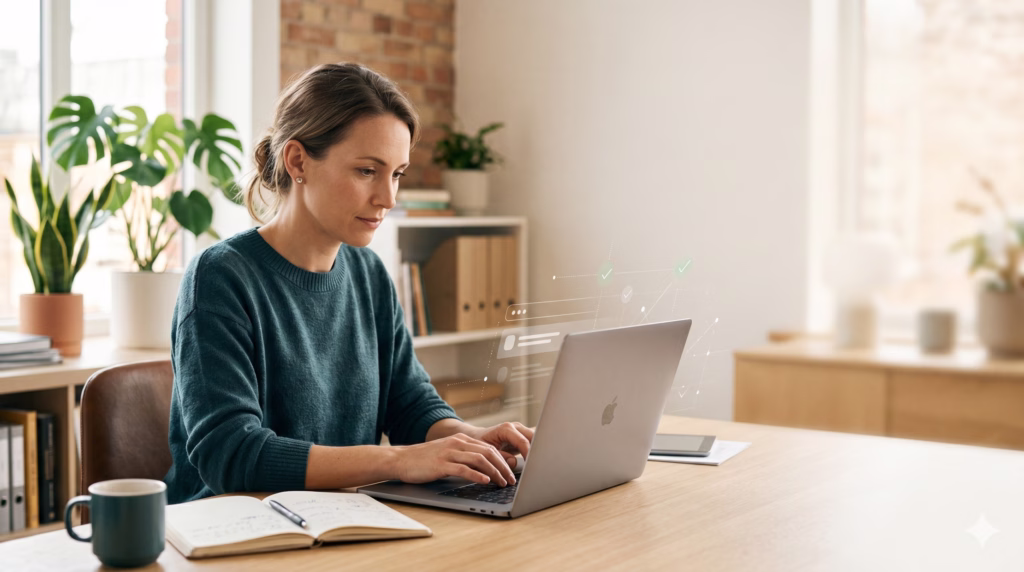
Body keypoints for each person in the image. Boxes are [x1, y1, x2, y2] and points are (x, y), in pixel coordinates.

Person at [163, 63, 533, 504]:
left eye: (396, 174)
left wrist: (471, 439)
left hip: (340, 517)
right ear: (298, 161)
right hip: (235, 528)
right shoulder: (220, 277)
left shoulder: (368, 273)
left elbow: (409, 404)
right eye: (366, 171)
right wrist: (398, 461)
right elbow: (231, 455)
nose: (388, 198)